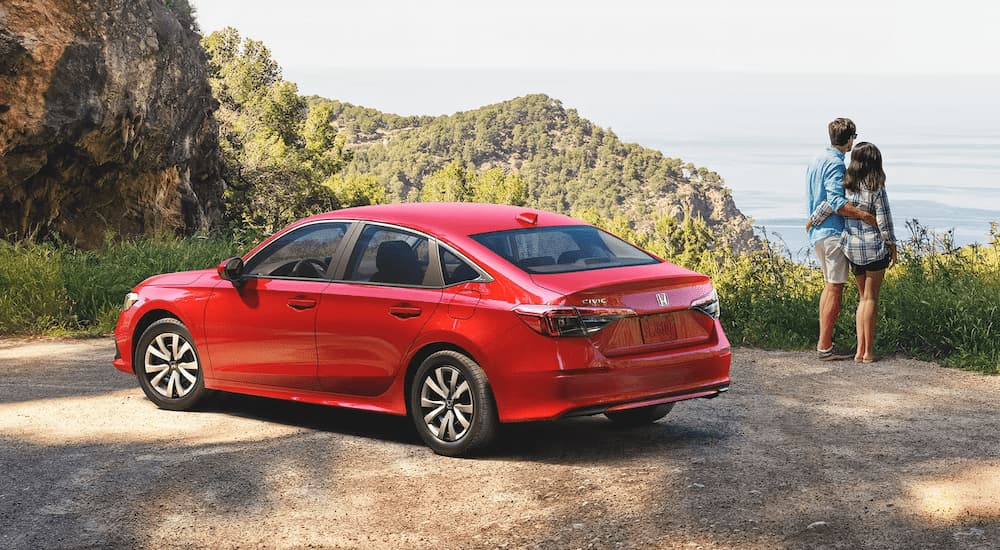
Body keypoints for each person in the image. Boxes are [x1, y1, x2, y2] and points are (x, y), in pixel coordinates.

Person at [807, 142, 897, 362]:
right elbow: (884, 222)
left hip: (852, 250)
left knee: (861, 300)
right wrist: (892, 246)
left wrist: (812, 221)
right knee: (870, 299)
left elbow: (831, 204)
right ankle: (868, 352)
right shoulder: (876, 188)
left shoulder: (847, 186)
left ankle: (858, 352)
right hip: (874, 249)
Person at [805, 118, 877, 361]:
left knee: (829, 286)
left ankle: (824, 344)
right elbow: (836, 202)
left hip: (819, 233)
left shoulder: (816, 160)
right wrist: (865, 215)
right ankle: (825, 346)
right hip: (833, 234)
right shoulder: (836, 164)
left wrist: (813, 219)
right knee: (835, 288)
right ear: (850, 139)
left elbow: (823, 199)